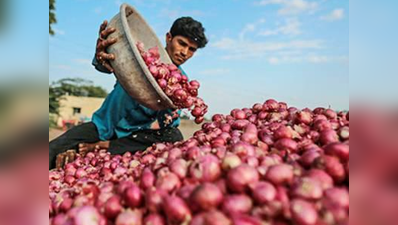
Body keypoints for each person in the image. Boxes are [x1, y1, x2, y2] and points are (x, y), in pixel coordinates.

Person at [49, 16, 208, 169]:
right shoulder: (140, 57)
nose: (184, 52)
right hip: (102, 126)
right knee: (50, 152)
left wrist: (172, 108)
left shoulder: (182, 84)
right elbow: (107, 64)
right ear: (168, 37)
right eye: (182, 43)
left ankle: (106, 146)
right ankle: (98, 146)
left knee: (174, 136)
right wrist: (102, 55)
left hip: (131, 137)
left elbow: (167, 125)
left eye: (191, 49)